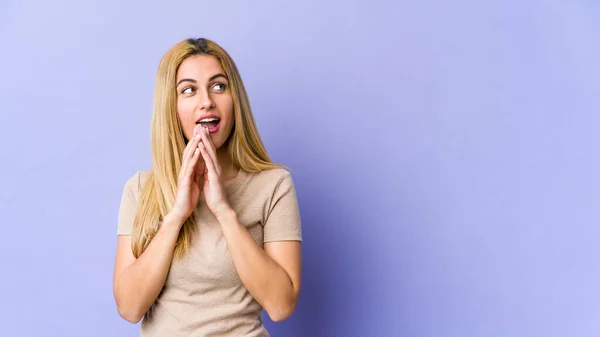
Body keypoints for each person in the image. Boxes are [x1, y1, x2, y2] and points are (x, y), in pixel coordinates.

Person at [112, 37, 302, 337]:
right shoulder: (140, 188)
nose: (206, 101)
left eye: (218, 86)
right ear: (171, 108)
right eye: (189, 90)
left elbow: (280, 306)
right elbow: (130, 308)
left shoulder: (274, 185)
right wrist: (176, 215)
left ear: (234, 99)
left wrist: (224, 211)